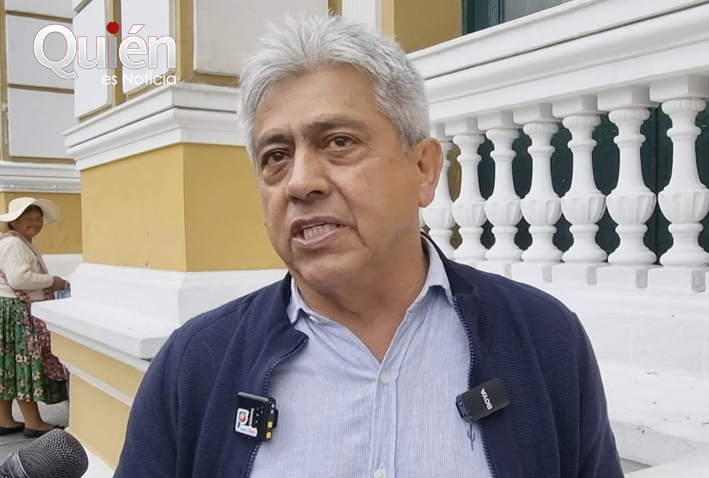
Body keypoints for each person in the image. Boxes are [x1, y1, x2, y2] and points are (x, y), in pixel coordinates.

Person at [114, 15, 624, 478]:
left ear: (424, 170)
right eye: (276, 156)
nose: (300, 182)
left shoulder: (543, 340)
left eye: (339, 142)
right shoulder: (195, 366)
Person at [0, 197, 69, 438]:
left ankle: (4, 419)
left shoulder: (16, 242)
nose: (35, 223)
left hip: (8, 310)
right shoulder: (14, 244)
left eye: (38, 219)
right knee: (23, 365)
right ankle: (33, 422)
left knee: (8, 367)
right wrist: (53, 281)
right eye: (28, 218)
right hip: (16, 311)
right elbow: (19, 279)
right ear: (14, 222)